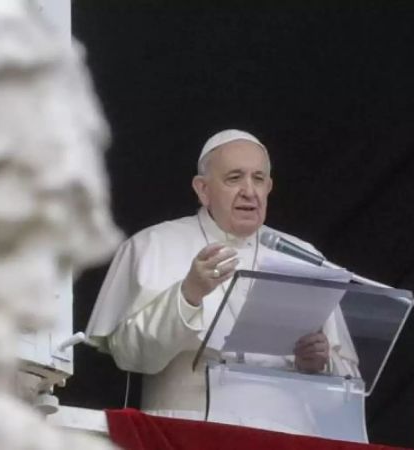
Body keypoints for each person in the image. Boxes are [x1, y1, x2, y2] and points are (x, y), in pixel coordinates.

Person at [85, 129, 358, 420]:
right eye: (234, 178)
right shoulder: (153, 244)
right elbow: (131, 355)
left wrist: (319, 362)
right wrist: (188, 295)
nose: (249, 191)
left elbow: (348, 388)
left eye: (258, 179)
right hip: (188, 429)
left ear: (269, 187)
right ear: (203, 189)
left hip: (285, 433)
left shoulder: (304, 256)